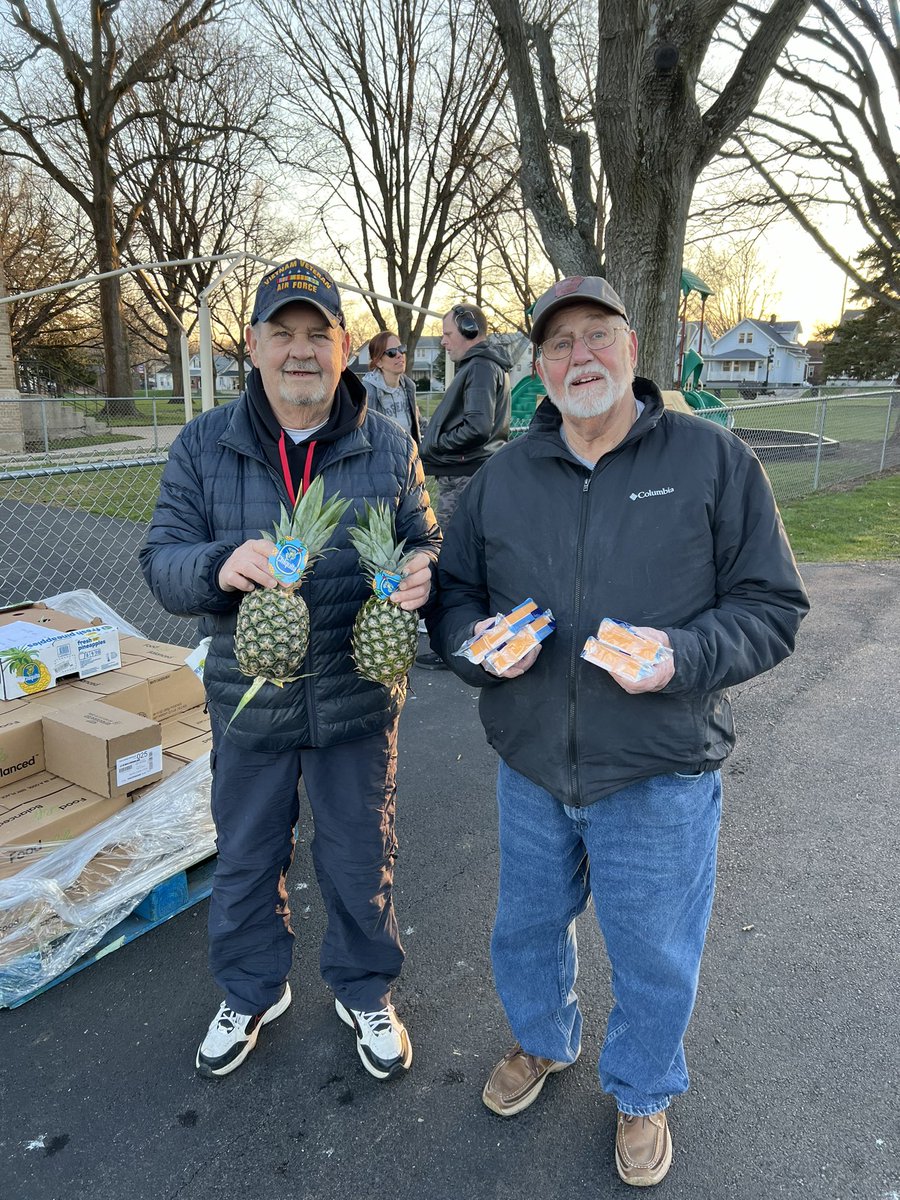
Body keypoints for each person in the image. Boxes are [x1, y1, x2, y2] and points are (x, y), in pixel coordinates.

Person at [425, 276, 809, 1187]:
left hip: (659, 768)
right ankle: (542, 1042)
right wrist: (476, 648)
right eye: (559, 345)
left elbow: (774, 607)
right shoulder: (505, 478)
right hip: (530, 767)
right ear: (540, 368)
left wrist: (680, 654)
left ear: (635, 349)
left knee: (652, 949)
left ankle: (641, 1092)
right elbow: (454, 600)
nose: (580, 357)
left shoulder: (714, 461)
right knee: (524, 928)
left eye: (598, 336)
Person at [139, 257, 440, 1083]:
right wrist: (217, 566)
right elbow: (161, 561)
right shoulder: (205, 446)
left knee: (358, 855)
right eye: (284, 334)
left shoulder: (386, 442)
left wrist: (422, 570)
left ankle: (364, 988)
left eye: (318, 334)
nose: (301, 351)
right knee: (243, 857)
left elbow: (426, 537)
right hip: (250, 705)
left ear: (345, 346)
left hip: (357, 697)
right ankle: (251, 989)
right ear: (253, 346)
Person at [417, 303, 511, 669]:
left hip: (464, 474)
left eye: (447, 334)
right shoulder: (483, 366)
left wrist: (434, 445)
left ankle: (457, 642)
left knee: (457, 559)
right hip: (467, 472)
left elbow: (478, 426)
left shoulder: (482, 368)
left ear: (471, 330)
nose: (442, 342)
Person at [361, 330, 421, 444]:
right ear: (378, 362)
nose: (399, 355)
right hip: (383, 459)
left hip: (409, 457)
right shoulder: (367, 391)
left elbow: (417, 423)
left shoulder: (409, 387)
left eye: (401, 349)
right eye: (392, 352)